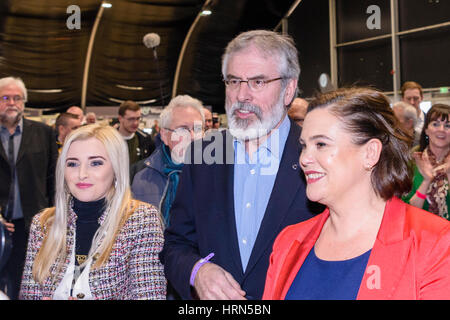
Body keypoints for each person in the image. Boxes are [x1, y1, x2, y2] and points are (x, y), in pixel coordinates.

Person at [160, 30, 315, 300]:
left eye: (257, 82)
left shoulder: (315, 157)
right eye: (233, 81)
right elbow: (175, 245)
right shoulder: (202, 156)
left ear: (288, 89)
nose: (242, 95)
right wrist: (197, 271)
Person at [263, 87, 450, 300]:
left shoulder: (434, 243)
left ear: (370, 153)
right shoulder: (288, 242)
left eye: (321, 144)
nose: (304, 158)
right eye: (304, 146)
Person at [19, 124, 166, 300]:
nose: (82, 174)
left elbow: (149, 296)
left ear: (116, 168)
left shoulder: (141, 220)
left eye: (95, 163)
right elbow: (30, 294)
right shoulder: (43, 223)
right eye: (72, 163)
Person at [0, 76, 58, 299]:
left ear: (24, 102)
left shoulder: (43, 133)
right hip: (1, 225)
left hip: (34, 226)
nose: (12, 103)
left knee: (29, 282)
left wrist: (54, 217)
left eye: (17, 98)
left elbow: (53, 180)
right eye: (5, 98)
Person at [131, 95, 204, 226]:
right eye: (183, 129)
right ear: (164, 135)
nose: (192, 136)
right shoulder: (138, 175)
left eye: (198, 129)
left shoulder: (218, 176)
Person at [402, 103, 450, 220]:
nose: (441, 130)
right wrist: (427, 181)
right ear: (426, 130)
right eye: (435, 124)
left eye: (447, 126)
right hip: (420, 234)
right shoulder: (412, 162)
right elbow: (407, 211)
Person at [117, 100, 155, 165]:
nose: (135, 123)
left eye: (138, 118)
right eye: (131, 119)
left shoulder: (146, 139)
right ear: (120, 118)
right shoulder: (108, 139)